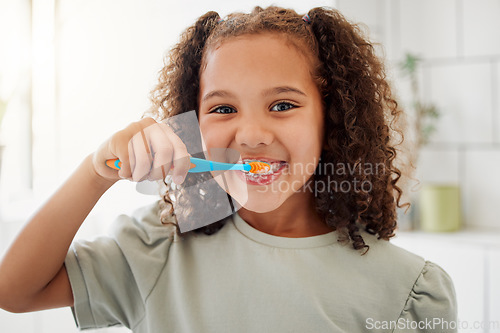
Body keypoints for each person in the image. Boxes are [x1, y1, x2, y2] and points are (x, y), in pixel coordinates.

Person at [0, 6, 457, 333]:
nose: (251, 134)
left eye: (282, 105)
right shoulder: (158, 250)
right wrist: (96, 171)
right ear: (193, 126)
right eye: (222, 108)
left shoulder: (408, 293)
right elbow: (16, 291)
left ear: (331, 118)